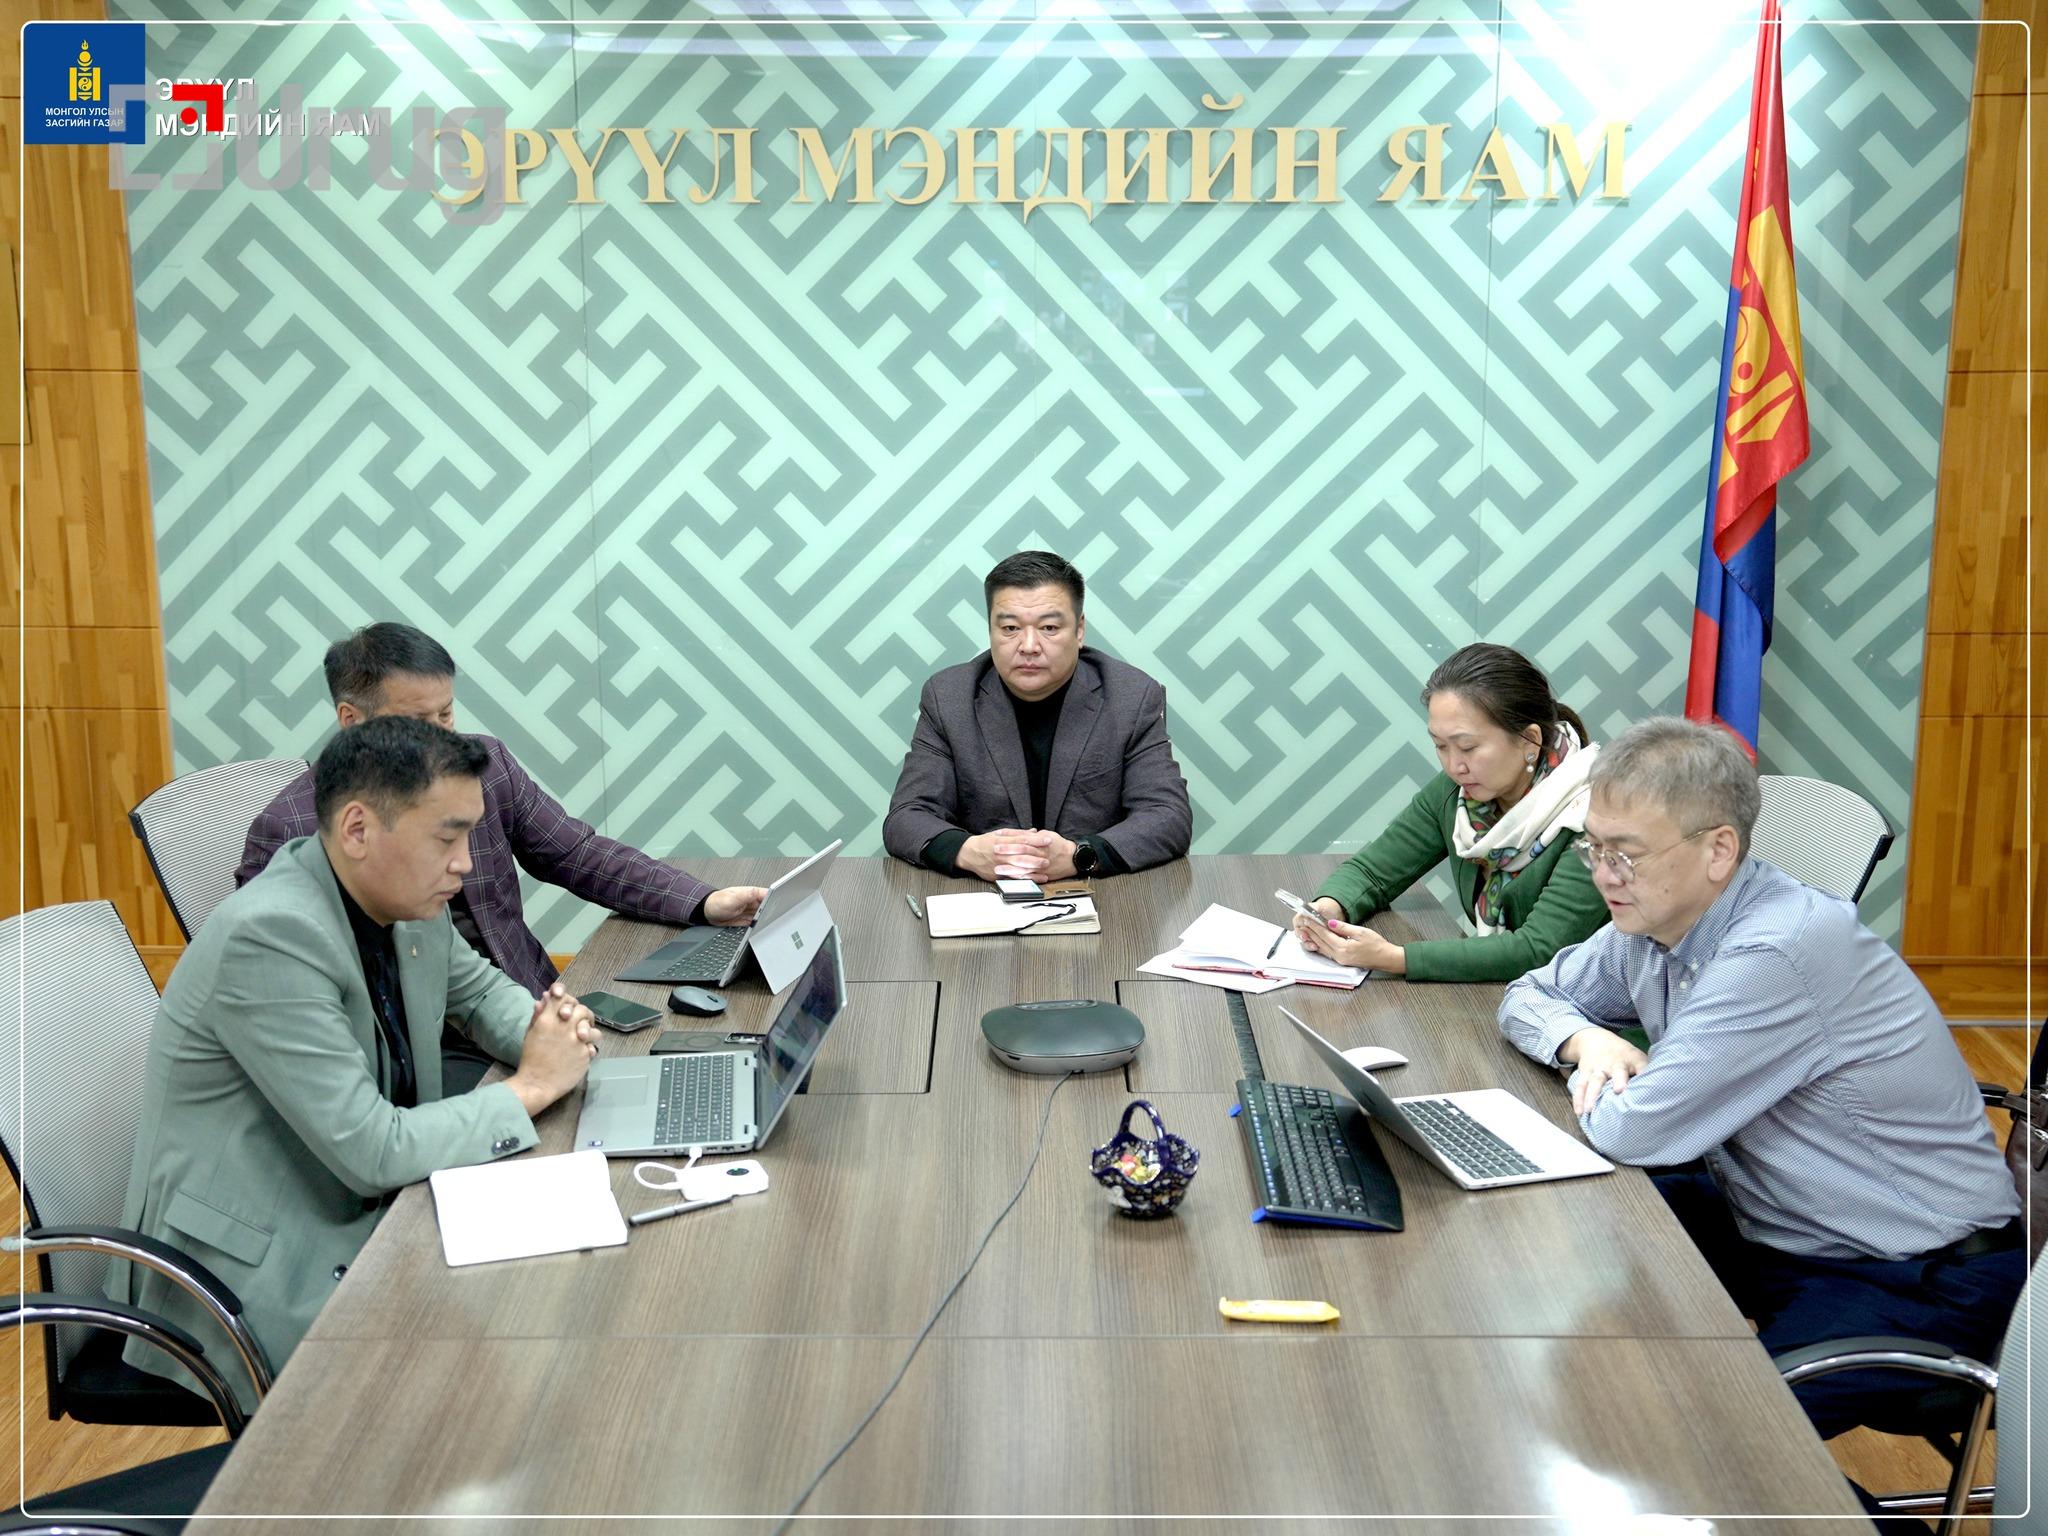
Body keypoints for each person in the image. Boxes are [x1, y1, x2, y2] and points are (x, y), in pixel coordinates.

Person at [1499, 716, 2023, 1441]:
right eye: (1594, 846)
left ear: (1719, 850)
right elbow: (1527, 996)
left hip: (1916, 1275)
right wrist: (1585, 1039)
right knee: (1556, 1232)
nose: (1603, 875)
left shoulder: (1776, 951)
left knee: (1724, 1447)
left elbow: (1634, 1129)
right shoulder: (1651, 923)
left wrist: (1608, 1072)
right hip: (1779, 1222)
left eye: (1627, 854)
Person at [114, 717, 605, 1407]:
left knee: (560, 1293)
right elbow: (374, 1150)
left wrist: (545, 1027)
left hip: (354, 1200)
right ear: (357, 830)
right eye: (447, 837)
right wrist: (532, 1086)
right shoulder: (271, 935)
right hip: (252, 1269)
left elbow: (476, 991)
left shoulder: (398, 896)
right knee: (508, 1351)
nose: (465, 862)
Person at [238, 623, 765, 1090]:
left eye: (446, 714)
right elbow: (297, 1006)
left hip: (519, 1001)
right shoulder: (290, 832)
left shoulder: (482, 769)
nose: (441, 737)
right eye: (418, 721)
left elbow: (575, 851)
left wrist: (703, 901)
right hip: (418, 1056)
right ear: (352, 720)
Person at [1291, 643, 1607, 981]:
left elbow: (1539, 948)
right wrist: (1328, 908)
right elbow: (1373, 871)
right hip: (1506, 992)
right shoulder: (1460, 795)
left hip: (1588, 1001)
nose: (1455, 766)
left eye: (1468, 747)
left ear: (1529, 740)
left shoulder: (1595, 815)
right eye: (1440, 746)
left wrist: (1395, 958)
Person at [883, 550, 1192, 881]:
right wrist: (970, 852)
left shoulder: (1131, 696)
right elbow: (906, 816)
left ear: (1079, 630)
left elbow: (1169, 816)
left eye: (1049, 627)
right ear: (990, 630)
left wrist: (1079, 855)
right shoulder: (949, 697)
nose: (1029, 645)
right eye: (1010, 627)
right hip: (982, 896)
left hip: (1101, 895)